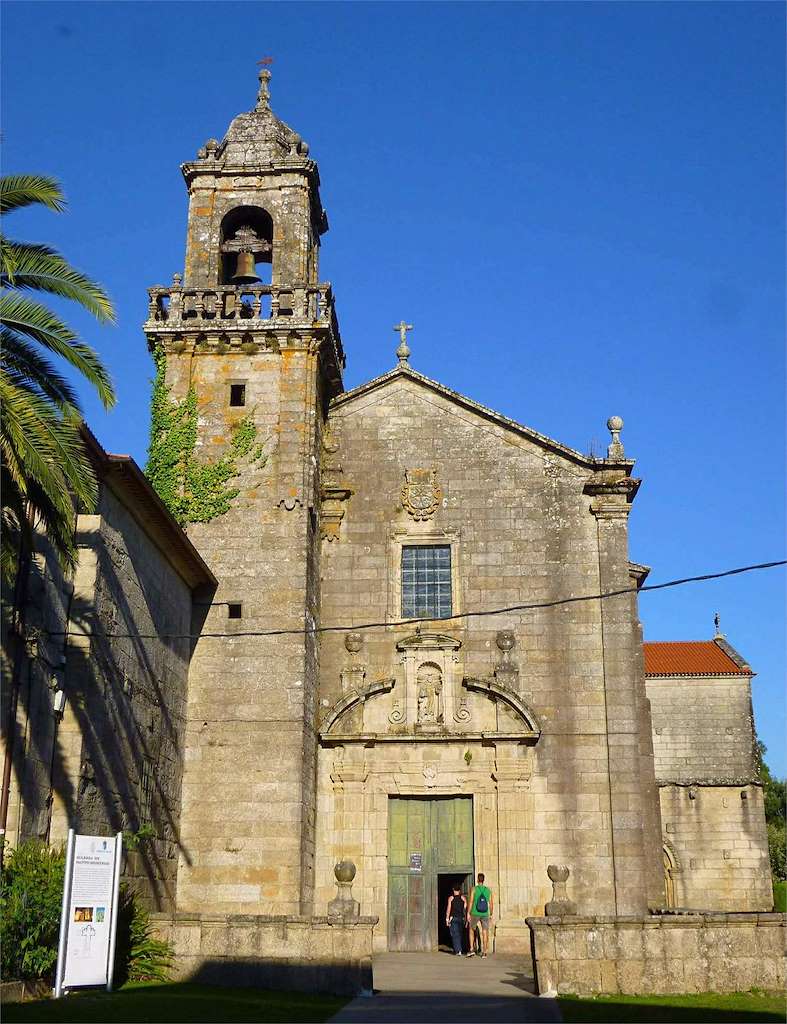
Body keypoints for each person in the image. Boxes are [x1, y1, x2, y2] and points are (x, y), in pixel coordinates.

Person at [467, 872, 494, 958]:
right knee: (485, 931)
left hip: (475, 913)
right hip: (485, 914)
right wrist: (490, 914)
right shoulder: (488, 890)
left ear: (478, 879)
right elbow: (491, 903)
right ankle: (485, 952)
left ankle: (471, 949)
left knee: (471, 930)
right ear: (484, 880)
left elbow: (471, 901)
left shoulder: (474, 889)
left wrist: (468, 912)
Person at [445, 882, 467, 956]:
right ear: (459, 890)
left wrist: (447, 919)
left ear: (453, 890)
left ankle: (458, 950)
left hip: (453, 918)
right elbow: (465, 909)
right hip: (461, 918)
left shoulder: (451, 898)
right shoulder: (463, 898)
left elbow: (449, 909)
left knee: (455, 934)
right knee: (460, 934)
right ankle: (461, 949)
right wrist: (466, 918)